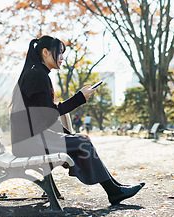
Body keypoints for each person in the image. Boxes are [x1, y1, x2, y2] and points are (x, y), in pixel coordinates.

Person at [10, 36, 145, 205]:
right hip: (31, 143)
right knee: (83, 144)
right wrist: (80, 97)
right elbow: (50, 114)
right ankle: (114, 191)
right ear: (45, 52)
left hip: (30, 140)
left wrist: (71, 135)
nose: (62, 57)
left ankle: (116, 188)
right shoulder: (37, 75)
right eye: (59, 53)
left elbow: (44, 118)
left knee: (82, 141)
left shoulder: (36, 73)